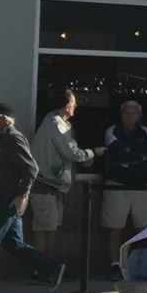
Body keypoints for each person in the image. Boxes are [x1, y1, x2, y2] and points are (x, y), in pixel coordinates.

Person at [0, 101, 64, 293]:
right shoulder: (2, 139)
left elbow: (30, 168)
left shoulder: (13, 139)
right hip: (5, 196)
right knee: (13, 244)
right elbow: (1, 172)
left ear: (5, 118)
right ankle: (53, 268)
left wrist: (22, 195)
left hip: (8, 199)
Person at [29, 89, 103, 262]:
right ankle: (40, 268)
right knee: (44, 229)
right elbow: (72, 153)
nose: (75, 106)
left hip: (54, 187)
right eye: (73, 103)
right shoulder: (55, 125)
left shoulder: (56, 123)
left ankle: (50, 267)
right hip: (45, 186)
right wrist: (93, 153)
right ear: (66, 106)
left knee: (51, 228)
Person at [101, 99, 147, 274]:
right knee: (115, 228)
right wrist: (138, 155)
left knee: (145, 228)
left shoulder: (146, 132)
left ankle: (142, 264)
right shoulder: (112, 131)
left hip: (142, 186)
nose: (129, 116)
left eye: (132, 113)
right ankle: (115, 265)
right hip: (118, 185)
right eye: (126, 113)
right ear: (121, 115)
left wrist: (132, 152)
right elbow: (118, 155)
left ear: (139, 115)